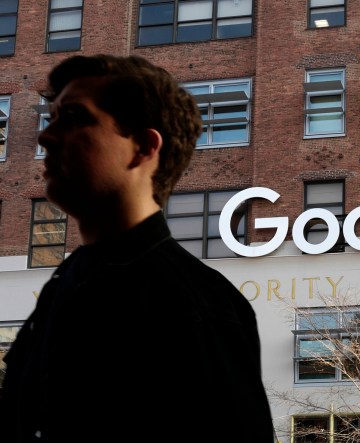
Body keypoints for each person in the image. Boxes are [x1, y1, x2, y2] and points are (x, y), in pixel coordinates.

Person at [0, 55, 275, 442]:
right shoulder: (67, 283)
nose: (46, 137)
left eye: (74, 118)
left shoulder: (195, 302)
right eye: (52, 117)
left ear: (144, 147)